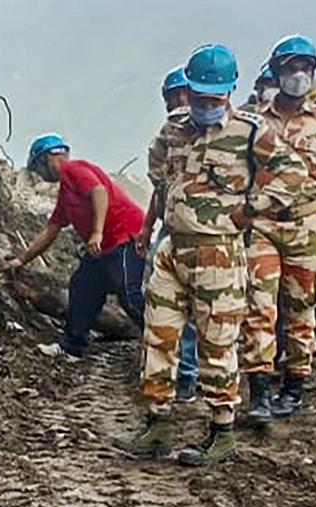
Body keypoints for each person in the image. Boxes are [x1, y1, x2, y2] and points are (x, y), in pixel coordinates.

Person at [118, 43, 307, 467]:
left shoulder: (251, 132)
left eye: (213, 98)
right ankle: (157, 423)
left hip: (218, 254)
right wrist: (162, 211)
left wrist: (250, 210)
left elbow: (294, 176)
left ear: (229, 92)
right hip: (173, 249)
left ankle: (222, 430)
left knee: (217, 344)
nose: (205, 105)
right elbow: (159, 170)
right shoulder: (174, 128)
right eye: (199, 96)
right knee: (158, 338)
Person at [239, 35, 316, 422]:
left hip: (307, 227)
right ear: (277, 72)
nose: (299, 75)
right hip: (263, 225)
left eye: (306, 68)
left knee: (301, 307)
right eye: (292, 68)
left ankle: (293, 386)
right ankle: (259, 389)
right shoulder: (253, 122)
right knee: (258, 306)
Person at [7, 134, 147, 358]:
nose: (39, 175)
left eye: (38, 168)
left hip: (124, 237)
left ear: (47, 159)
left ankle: (166, 343)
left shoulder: (73, 169)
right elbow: (50, 230)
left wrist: (97, 232)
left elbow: (99, 191)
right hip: (102, 247)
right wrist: (21, 260)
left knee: (129, 295)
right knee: (82, 288)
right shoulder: (66, 193)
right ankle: (72, 346)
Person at [139, 66, 200, 402]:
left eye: (181, 94)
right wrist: (147, 226)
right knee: (157, 297)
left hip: (204, 233)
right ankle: (162, 372)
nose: (177, 102)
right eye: (171, 97)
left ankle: (188, 374)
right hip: (170, 228)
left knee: (195, 305)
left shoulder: (216, 133)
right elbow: (161, 187)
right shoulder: (168, 136)